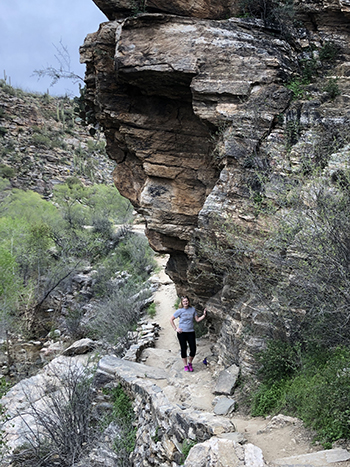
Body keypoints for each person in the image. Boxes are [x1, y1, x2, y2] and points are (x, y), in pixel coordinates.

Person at [170, 296, 206, 372]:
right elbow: (171, 319)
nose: (185, 303)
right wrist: (176, 328)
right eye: (184, 301)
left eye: (186, 301)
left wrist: (204, 315)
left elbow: (197, 320)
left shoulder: (192, 310)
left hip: (191, 332)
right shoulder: (180, 311)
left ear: (188, 302)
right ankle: (185, 365)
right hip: (182, 333)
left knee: (193, 349)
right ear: (182, 302)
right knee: (184, 349)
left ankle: (190, 363)